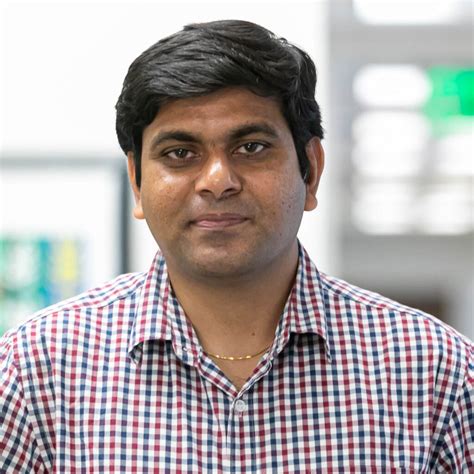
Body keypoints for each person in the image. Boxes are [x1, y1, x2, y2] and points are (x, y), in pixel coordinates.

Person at [1, 20, 472, 473]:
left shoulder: (438, 375)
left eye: (251, 147)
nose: (217, 180)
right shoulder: (35, 373)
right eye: (180, 153)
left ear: (310, 169)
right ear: (137, 182)